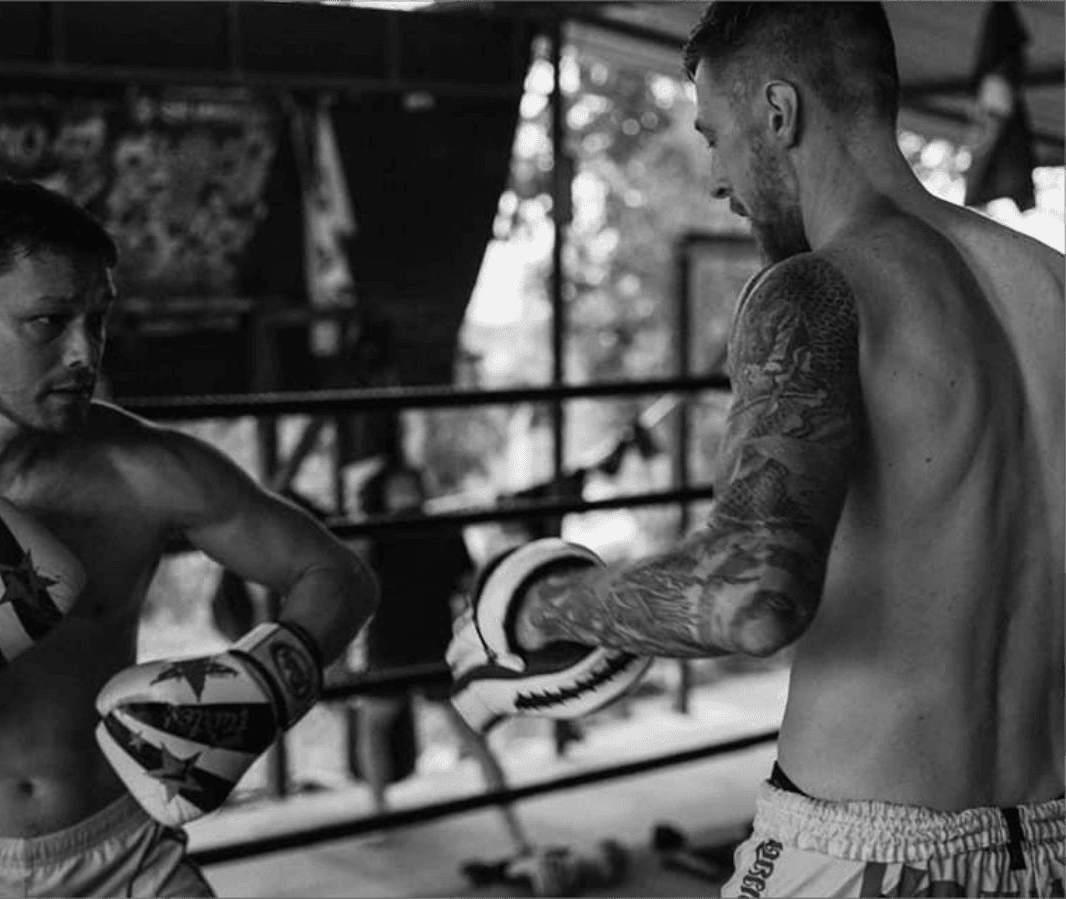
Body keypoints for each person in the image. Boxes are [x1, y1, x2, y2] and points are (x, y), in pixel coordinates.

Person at [448, 3, 1065, 897]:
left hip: (868, 854)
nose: (714, 178)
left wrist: (544, 607)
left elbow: (751, 596)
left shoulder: (813, 290)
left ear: (778, 112)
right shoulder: (1050, 285)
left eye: (712, 136)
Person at [0, 177, 379, 898]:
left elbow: (337, 576)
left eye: (97, 319)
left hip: (125, 859)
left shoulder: (145, 468)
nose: (85, 353)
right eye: (48, 321)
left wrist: (266, 683)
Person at [357, 459, 532, 856]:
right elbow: (471, 588)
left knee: (388, 730)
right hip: (418, 645)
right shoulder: (420, 529)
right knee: (463, 736)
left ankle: (381, 817)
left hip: (405, 646)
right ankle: (515, 832)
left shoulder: (380, 532)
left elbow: (468, 587)